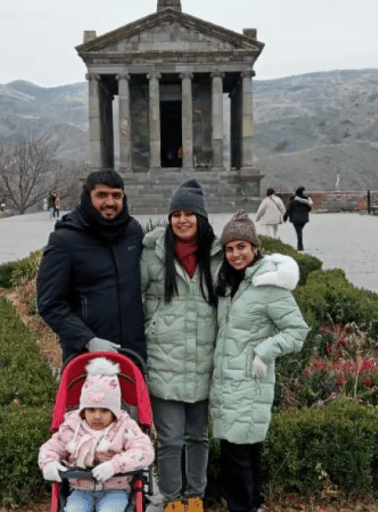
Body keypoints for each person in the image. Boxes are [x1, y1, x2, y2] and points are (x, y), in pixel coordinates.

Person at [210, 211, 309, 512]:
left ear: (255, 248)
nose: (235, 254)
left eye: (242, 247)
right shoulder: (230, 284)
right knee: (246, 451)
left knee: (237, 454)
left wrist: (264, 351)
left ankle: (244, 507)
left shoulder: (269, 285)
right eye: (229, 248)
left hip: (250, 381)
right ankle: (254, 506)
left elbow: (297, 331)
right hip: (228, 383)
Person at [140, 179, 222, 512]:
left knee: (199, 437)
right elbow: (134, 295)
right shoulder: (152, 252)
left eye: (190, 214)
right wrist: (152, 323)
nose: (183, 220)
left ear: (201, 219)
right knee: (171, 439)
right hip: (164, 358)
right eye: (177, 214)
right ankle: (172, 499)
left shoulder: (216, 255)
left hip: (203, 358)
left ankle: (195, 496)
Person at [37, 170, 146, 363]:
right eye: (102, 195)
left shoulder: (133, 232)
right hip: (87, 357)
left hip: (132, 354)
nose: (110, 202)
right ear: (87, 197)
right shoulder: (65, 240)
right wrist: (87, 340)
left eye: (116, 195)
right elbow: (50, 302)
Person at [39, 357, 155, 512]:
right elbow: (51, 448)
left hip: (115, 491)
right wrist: (49, 463)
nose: (97, 416)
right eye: (91, 410)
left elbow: (144, 451)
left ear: (114, 411)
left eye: (104, 410)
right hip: (81, 490)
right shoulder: (73, 427)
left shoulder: (125, 426)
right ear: (83, 410)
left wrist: (115, 465)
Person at [283, 187, 313, 251]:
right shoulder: (305, 201)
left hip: (295, 219)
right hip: (304, 219)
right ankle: (300, 245)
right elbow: (309, 209)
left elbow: (288, 210)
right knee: (299, 231)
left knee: (298, 232)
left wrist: (285, 218)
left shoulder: (292, 201)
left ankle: (300, 246)